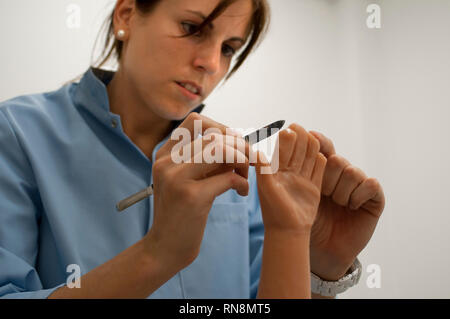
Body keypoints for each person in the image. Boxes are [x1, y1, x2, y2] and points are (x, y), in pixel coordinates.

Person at [0, 0, 385, 299]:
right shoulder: (18, 133)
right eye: (192, 27)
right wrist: (159, 254)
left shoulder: (238, 173)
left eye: (230, 47)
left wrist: (319, 267)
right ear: (127, 16)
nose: (211, 63)